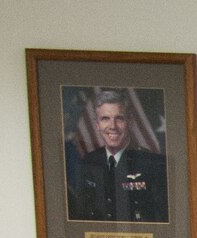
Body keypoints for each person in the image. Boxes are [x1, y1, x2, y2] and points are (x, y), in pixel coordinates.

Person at [69, 88, 168, 222]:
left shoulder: (154, 165)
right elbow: (83, 218)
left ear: (130, 122)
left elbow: (162, 221)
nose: (112, 126)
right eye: (105, 119)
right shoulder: (88, 162)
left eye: (119, 118)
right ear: (97, 124)